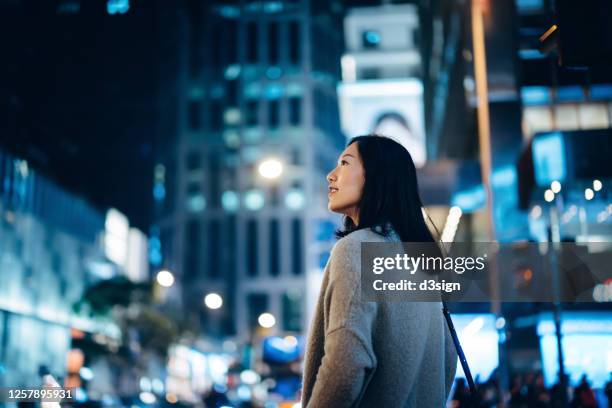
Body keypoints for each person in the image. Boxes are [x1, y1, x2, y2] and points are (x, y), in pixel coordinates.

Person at [300, 135, 458, 407]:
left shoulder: (356, 249)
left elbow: (346, 363)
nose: (331, 175)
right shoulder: (421, 264)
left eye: (345, 164)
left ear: (376, 177)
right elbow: (447, 360)